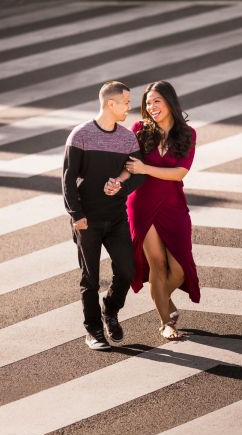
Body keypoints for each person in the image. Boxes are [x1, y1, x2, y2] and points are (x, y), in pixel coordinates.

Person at [105, 80, 199, 341]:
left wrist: (146, 169)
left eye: (156, 100)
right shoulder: (140, 130)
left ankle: (163, 301)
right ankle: (165, 322)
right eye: (147, 103)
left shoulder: (188, 134)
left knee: (179, 268)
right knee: (157, 264)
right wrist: (119, 181)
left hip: (172, 204)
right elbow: (129, 166)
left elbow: (180, 172)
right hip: (142, 203)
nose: (151, 107)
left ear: (169, 102)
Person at [63, 81, 146, 351]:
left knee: (126, 270)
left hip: (117, 217)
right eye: (126, 103)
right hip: (87, 219)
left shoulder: (126, 138)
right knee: (90, 278)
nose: (129, 108)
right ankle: (94, 331)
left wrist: (121, 185)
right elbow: (67, 178)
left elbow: (138, 173)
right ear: (111, 104)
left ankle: (110, 310)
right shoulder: (80, 135)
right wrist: (76, 215)